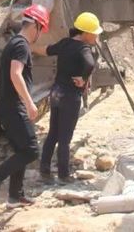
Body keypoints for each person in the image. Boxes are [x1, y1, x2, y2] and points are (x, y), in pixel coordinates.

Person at [0, 4, 50, 205]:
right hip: (14, 106)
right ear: (35, 25)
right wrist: (29, 103)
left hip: (8, 105)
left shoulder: (14, 43)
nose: (40, 34)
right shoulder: (21, 45)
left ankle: (15, 195)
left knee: (22, 149)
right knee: (31, 150)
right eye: (41, 29)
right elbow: (15, 74)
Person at [34, 11, 102, 183]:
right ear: (86, 33)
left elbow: (47, 50)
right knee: (65, 138)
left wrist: (30, 46)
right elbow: (90, 63)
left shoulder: (65, 43)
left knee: (53, 134)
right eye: (95, 33)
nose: (96, 37)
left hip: (56, 93)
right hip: (70, 96)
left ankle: (45, 170)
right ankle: (64, 175)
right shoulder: (84, 48)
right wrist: (83, 78)